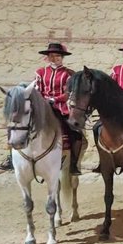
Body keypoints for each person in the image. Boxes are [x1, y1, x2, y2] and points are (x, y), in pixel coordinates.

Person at [35, 42, 84, 175]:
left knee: (76, 134)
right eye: (52, 56)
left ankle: (73, 164)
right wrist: (42, 101)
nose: (55, 58)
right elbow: (37, 90)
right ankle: (13, 157)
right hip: (42, 108)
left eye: (58, 56)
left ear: (62, 57)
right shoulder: (40, 72)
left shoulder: (69, 74)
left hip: (61, 108)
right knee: (20, 125)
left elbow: (69, 93)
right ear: (48, 57)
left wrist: (54, 99)